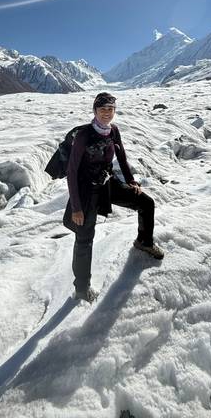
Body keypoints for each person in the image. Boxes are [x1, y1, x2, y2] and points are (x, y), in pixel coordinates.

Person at [63, 91, 164, 302]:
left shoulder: (113, 131)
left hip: (107, 183)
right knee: (84, 239)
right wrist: (76, 208)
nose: (107, 113)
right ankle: (81, 289)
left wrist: (131, 181)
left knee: (145, 202)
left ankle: (144, 242)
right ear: (95, 111)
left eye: (111, 109)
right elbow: (72, 172)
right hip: (85, 191)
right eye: (102, 109)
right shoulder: (83, 135)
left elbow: (122, 156)